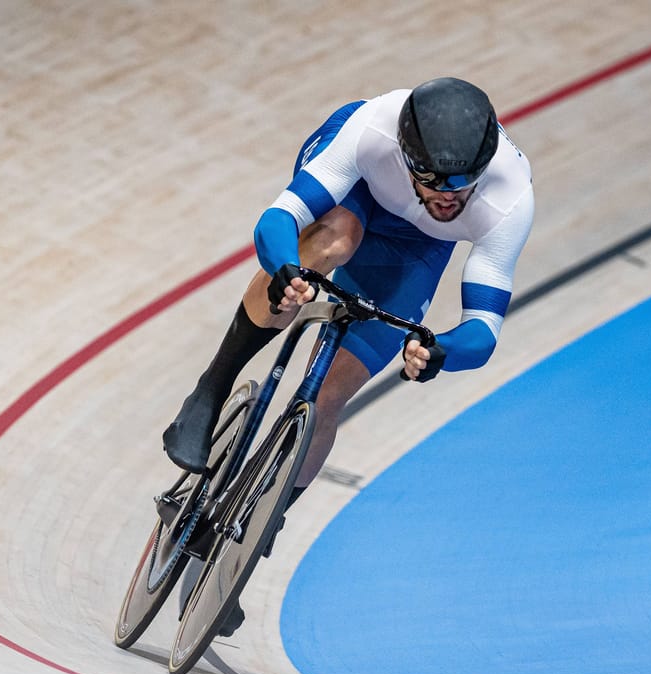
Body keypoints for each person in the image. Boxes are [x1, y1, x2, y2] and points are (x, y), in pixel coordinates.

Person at [163, 77, 535, 635]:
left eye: (463, 185)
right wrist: (288, 267)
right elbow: (279, 219)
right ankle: (212, 387)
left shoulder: (510, 197)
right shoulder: (370, 130)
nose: (448, 195)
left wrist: (440, 351)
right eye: (432, 180)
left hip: (417, 249)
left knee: (331, 396)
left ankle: (255, 531)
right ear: (407, 155)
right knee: (330, 241)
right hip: (355, 197)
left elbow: (482, 329)